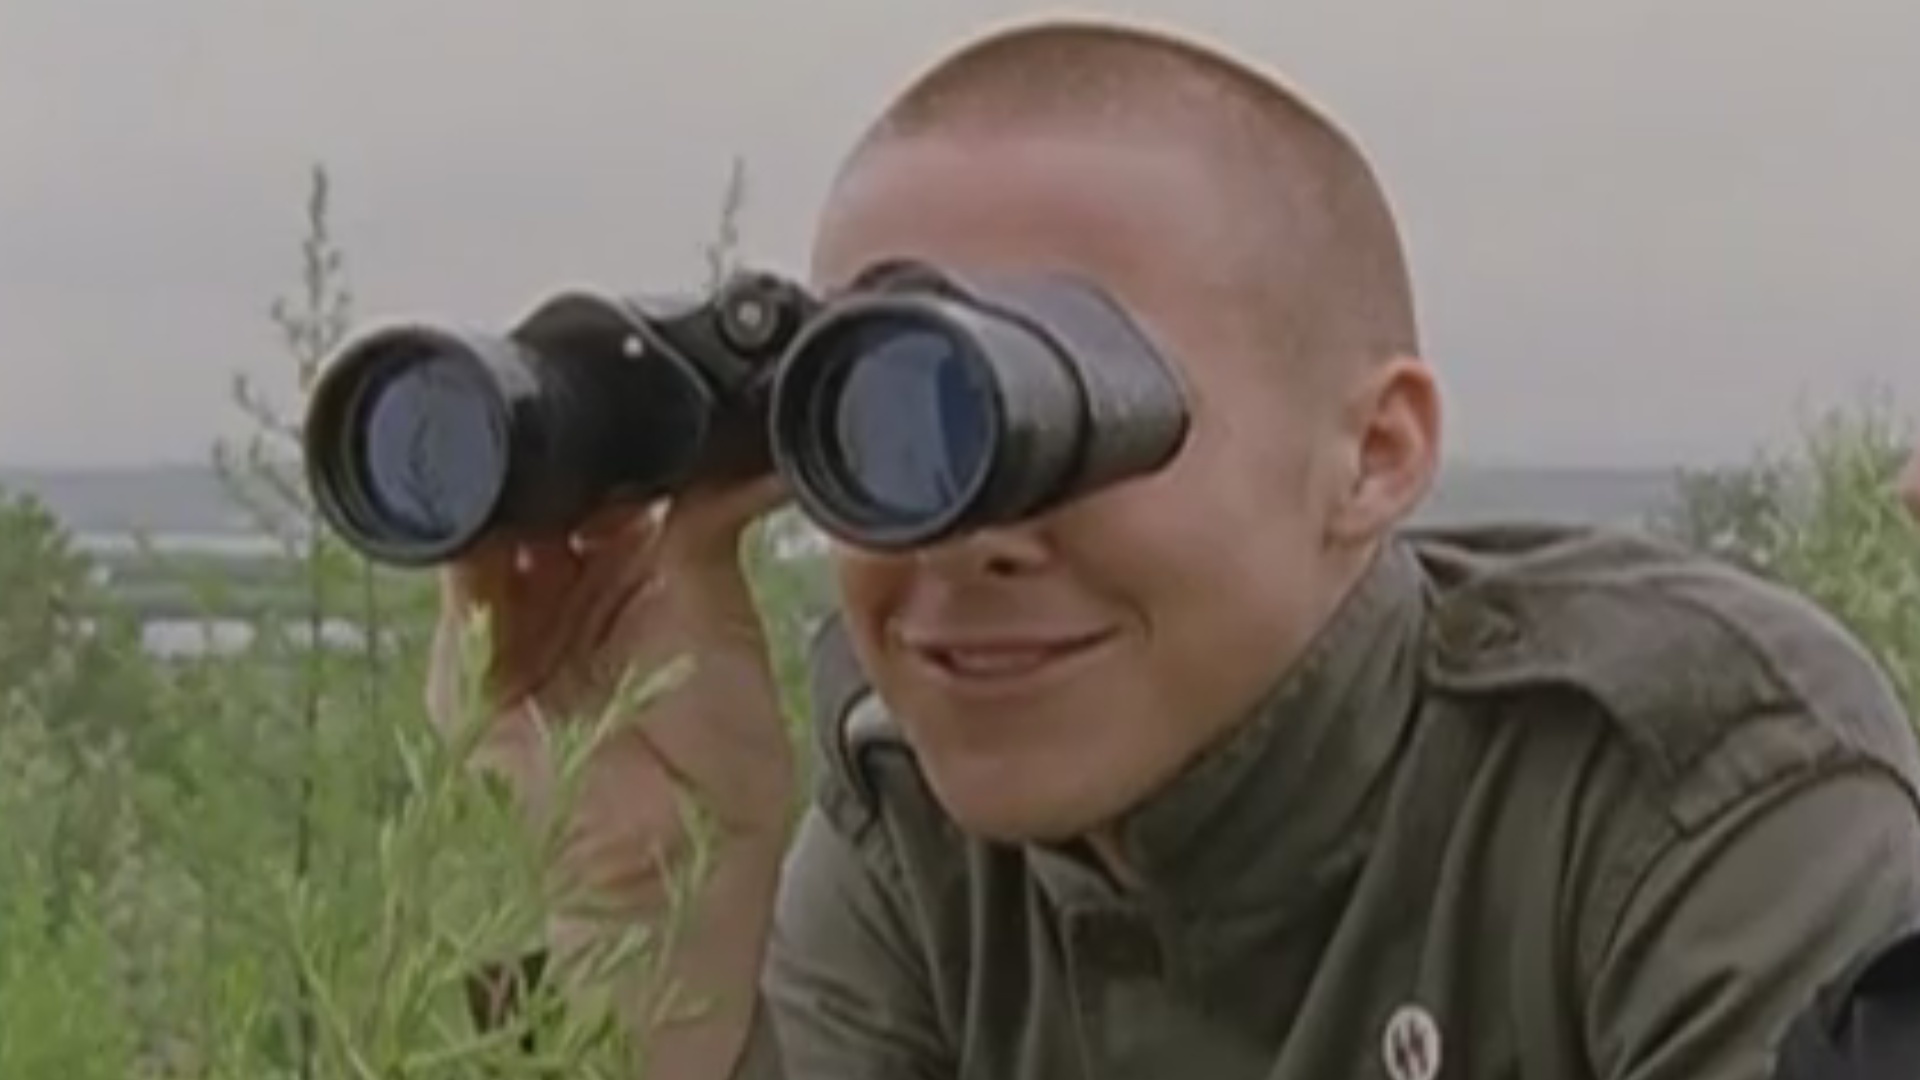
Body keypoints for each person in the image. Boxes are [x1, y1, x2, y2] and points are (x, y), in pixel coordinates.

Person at [442, 17, 1920, 1080]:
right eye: (891, 427)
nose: (971, 540)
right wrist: (653, 929)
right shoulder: (914, 817)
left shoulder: (1676, 786)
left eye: (1059, 415)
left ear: (1374, 454)